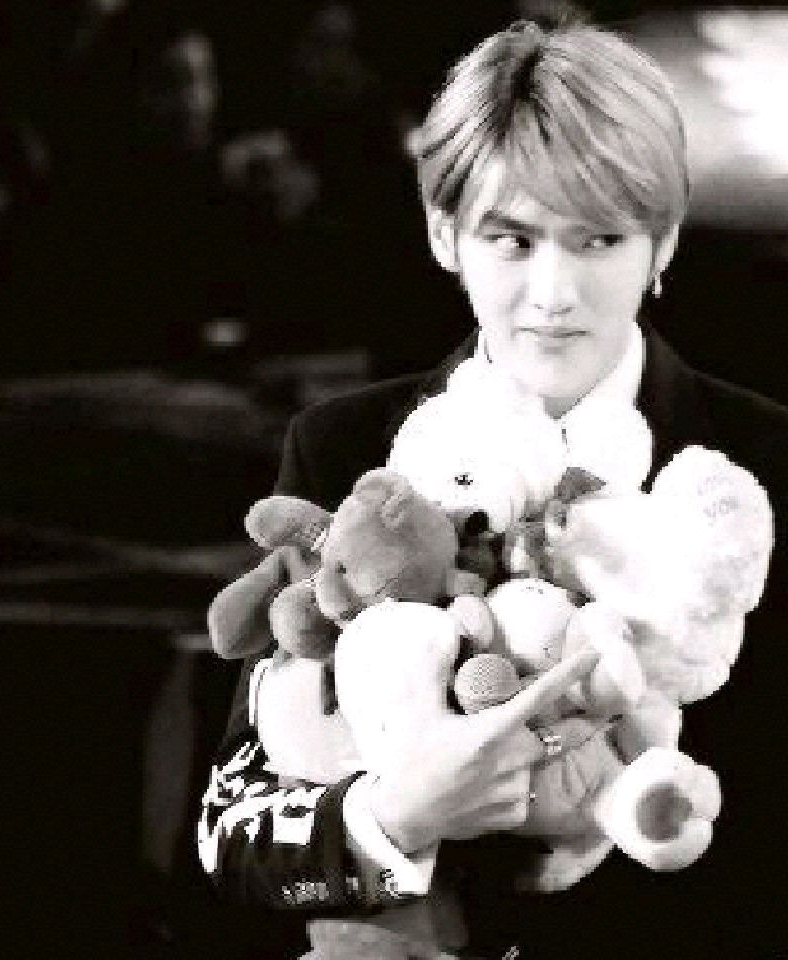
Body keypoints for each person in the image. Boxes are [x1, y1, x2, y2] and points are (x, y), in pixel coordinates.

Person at [198, 19, 788, 960]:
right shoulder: (344, 446)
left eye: (598, 239)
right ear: (445, 235)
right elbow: (233, 835)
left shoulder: (764, 462)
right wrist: (397, 818)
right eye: (511, 240)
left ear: (662, 244)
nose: (552, 293)